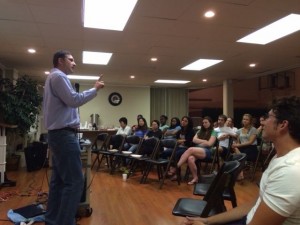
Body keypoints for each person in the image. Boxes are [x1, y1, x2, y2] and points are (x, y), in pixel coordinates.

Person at [181, 95, 300, 225]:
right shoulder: (280, 157)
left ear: (283, 124)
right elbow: (256, 204)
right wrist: (208, 221)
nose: (263, 122)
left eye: (268, 117)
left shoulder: (291, 171)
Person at [43, 50, 104, 225]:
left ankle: (53, 220)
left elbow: (69, 102)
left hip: (58, 135)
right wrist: (95, 89)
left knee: (59, 181)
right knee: (76, 181)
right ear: (60, 61)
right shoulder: (59, 77)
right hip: (63, 135)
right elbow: (74, 100)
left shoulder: (52, 78)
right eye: (71, 59)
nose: (74, 63)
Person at [177, 116, 217, 184]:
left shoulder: (214, 132)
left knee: (190, 149)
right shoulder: (200, 131)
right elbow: (194, 140)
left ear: (210, 123)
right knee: (190, 158)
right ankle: (195, 178)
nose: (204, 124)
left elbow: (210, 144)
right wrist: (204, 141)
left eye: (206, 122)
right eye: (203, 122)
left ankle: (177, 166)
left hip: (208, 151)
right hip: (198, 150)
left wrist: (200, 142)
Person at [161, 116, 195, 181]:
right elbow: (176, 139)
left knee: (176, 154)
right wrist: (181, 141)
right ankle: (167, 170)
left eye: (185, 121)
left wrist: (181, 141)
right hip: (179, 146)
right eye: (182, 120)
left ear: (189, 123)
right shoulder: (180, 130)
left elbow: (189, 142)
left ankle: (177, 174)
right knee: (165, 152)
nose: (183, 122)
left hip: (187, 148)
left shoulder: (191, 131)